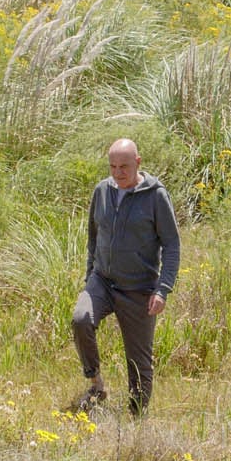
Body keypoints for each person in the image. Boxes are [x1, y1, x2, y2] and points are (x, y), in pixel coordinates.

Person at [71, 136, 180, 416]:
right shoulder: (102, 191)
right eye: (113, 167)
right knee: (81, 318)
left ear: (138, 163)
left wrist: (162, 289)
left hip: (139, 289)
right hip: (103, 281)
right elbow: (93, 238)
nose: (118, 173)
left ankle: (136, 419)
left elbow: (172, 244)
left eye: (124, 167)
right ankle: (96, 384)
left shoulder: (156, 196)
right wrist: (89, 278)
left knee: (139, 364)